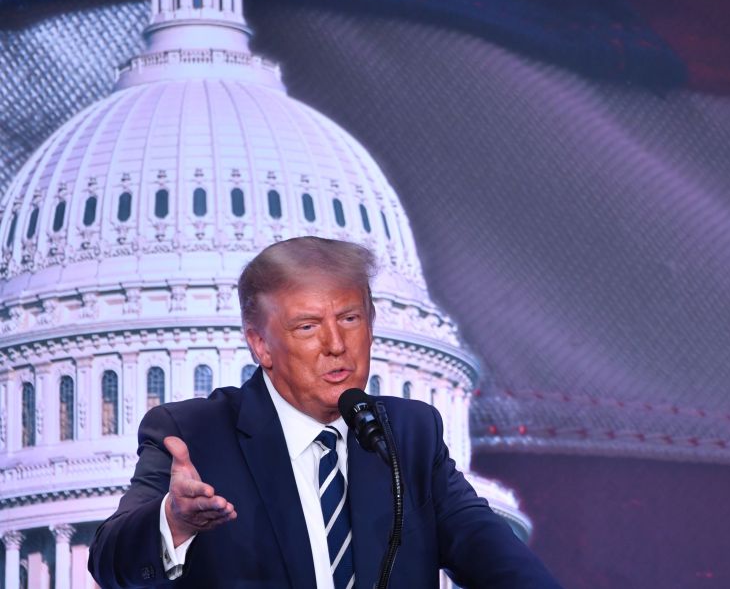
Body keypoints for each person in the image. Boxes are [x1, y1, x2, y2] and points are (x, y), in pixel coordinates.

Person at [89, 236, 562, 588]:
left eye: (350, 319)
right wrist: (174, 521)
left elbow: (490, 552)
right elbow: (110, 564)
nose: (336, 345)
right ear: (260, 344)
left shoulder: (408, 435)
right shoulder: (194, 435)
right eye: (308, 326)